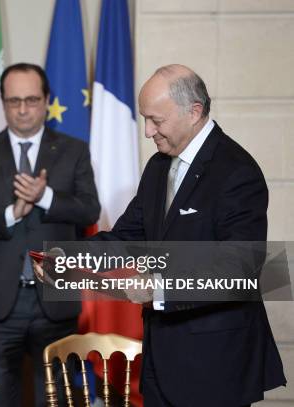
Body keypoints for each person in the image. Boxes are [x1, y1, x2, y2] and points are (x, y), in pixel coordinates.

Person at [35, 64, 286, 406]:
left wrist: (158, 287)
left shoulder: (237, 171)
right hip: (160, 358)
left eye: (157, 120)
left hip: (214, 363)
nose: (148, 131)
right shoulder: (158, 166)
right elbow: (127, 237)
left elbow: (240, 270)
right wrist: (68, 257)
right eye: (145, 119)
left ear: (194, 111)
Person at [0, 63, 100, 406]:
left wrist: (43, 197)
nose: (22, 109)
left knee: (57, 397)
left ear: (47, 100)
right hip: (0, 300)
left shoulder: (73, 150)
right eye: (13, 100)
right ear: (2, 102)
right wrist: (9, 213)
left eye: (31, 100)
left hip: (55, 299)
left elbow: (90, 210)